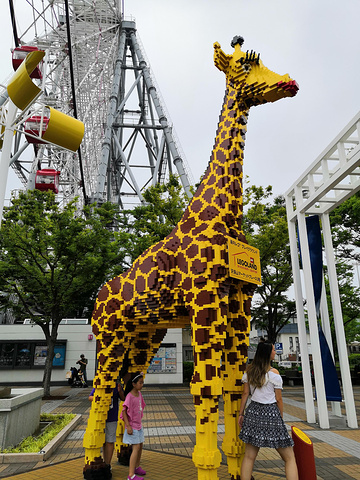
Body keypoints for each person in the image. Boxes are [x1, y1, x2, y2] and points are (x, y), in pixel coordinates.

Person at [238, 342, 298, 480]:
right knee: (289, 458)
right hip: (271, 413)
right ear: (267, 353)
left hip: (253, 412)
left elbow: (245, 394)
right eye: (273, 349)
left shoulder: (249, 372)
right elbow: (278, 399)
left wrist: (241, 414)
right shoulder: (274, 374)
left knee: (249, 457)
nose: (275, 351)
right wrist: (280, 418)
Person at [89, 382, 124, 472]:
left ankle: (108, 464)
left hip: (112, 418)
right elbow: (90, 397)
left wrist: (120, 391)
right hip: (100, 418)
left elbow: (123, 398)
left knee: (110, 441)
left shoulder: (116, 385)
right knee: (103, 441)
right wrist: (99, 399)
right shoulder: (100, 383)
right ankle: (104, 463)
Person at [120, 372, 146, 480]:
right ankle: (130, 475)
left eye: (142, 382)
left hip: (139, 425)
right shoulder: (129, 396)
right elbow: (124, 411)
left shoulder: (139, 394)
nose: (142, 384)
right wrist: (128, 426)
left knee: (140, 446)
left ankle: (136, 467)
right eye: (140, 383)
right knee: (135, 448)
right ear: (134, 384)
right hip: (132, 426)